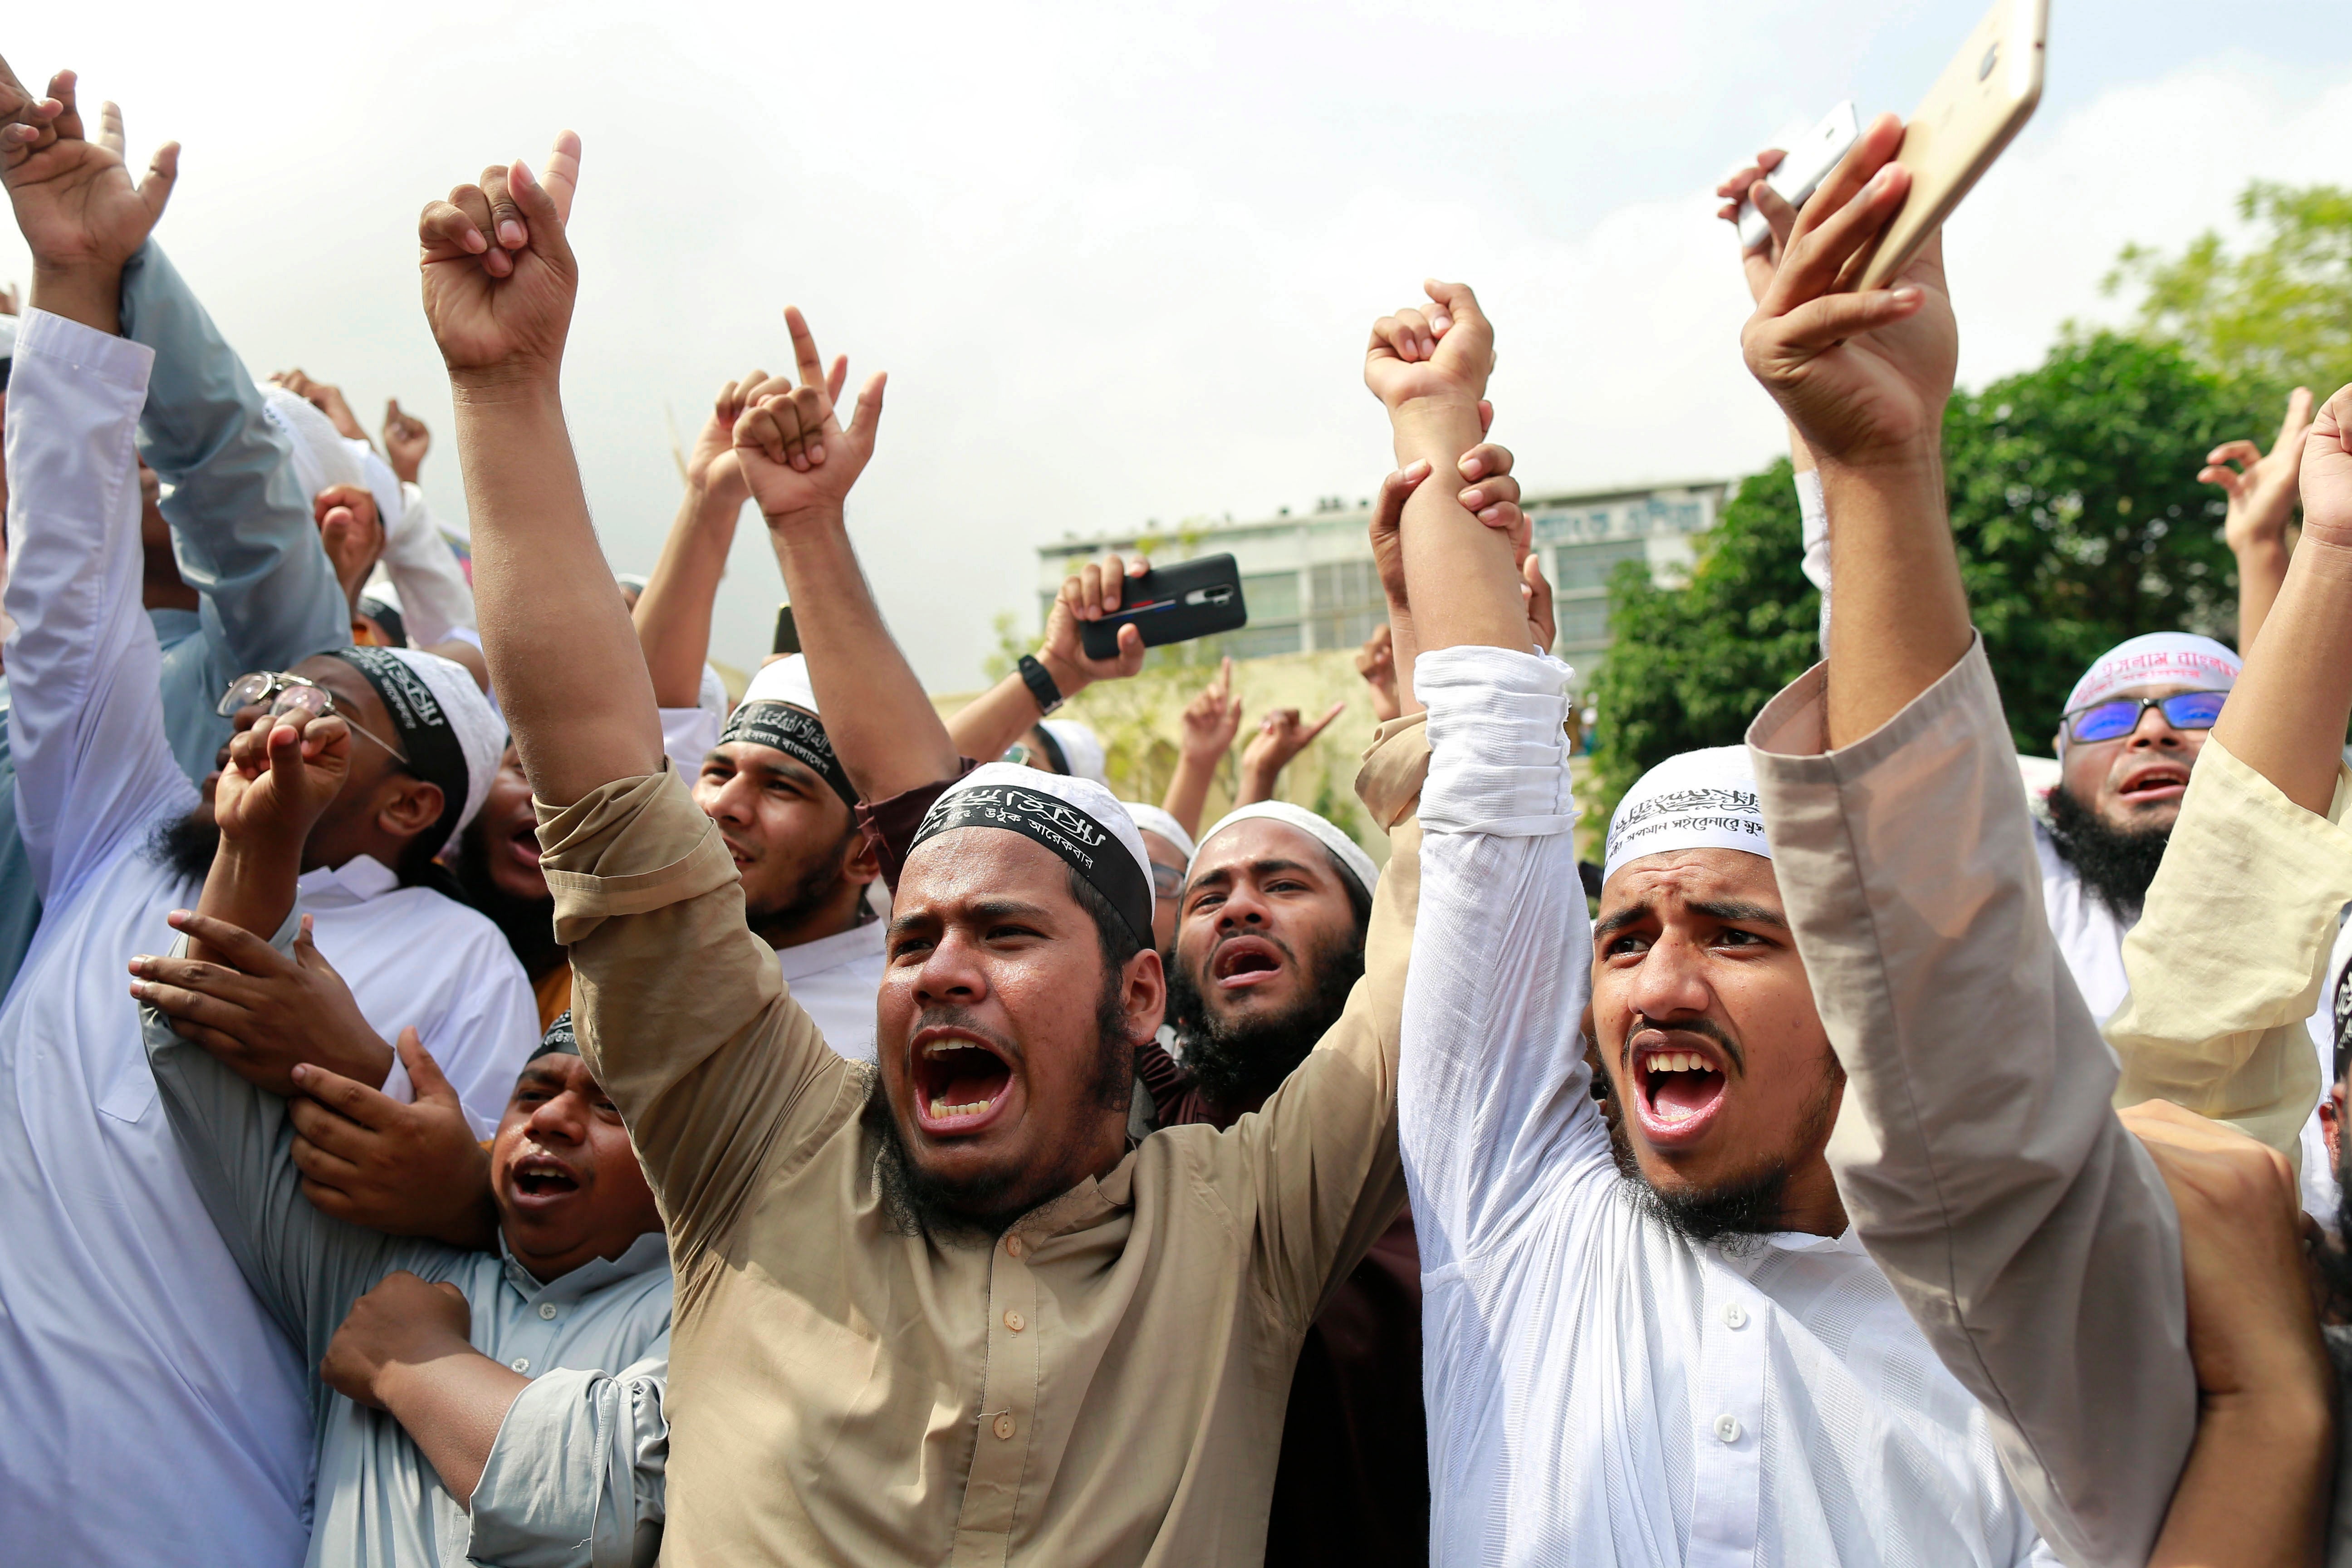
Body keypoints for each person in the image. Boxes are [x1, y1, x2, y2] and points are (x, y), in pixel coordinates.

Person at [416, 134, 1426, 1561]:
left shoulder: (1243, 1223)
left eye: (1007, 936)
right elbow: (595, 768)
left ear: (1142, 996)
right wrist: (504, 390)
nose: (940, 968)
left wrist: (1436, 477)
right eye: (912, 938)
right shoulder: (759, 1144)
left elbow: (1440, 945)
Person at [1389, 118, 2181, 1565]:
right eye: (1624, 936)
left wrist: (1876, 456)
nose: (1660, 982)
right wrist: (1439, 423)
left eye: (1738, 934)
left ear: (1863, 993)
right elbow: (1494, 791)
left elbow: (1919, 842)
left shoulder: (2016, 1340)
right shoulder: (1512, 1213)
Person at [0, 71, 535, 1562]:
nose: (263, 705)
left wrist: (360, 1077)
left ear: (409, 804)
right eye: (265, 687)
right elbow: (58, 599)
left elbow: (505, 1238)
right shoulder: (112, 831)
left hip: (216, 1516)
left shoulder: (455, 971)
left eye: (326, 708)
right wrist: (66, 278)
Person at [132, 696, 670, 1568]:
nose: (556, 1120)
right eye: (534, 1094)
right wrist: (260, 842)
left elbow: (606, 1517)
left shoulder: (712, 1313)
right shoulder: (386, 1267)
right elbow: (205, 1054)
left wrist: (411, 1359)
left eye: (611, 1108)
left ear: (681, 1160)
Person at [0, 62, 351, 1002]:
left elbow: (224, 468)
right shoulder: (34, 659)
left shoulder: (262, 683)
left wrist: (97, 271)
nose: (152, 441)